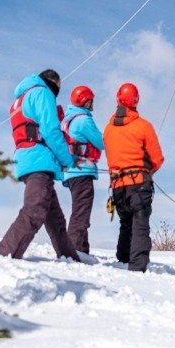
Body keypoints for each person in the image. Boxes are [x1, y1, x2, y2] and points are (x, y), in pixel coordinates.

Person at [0, 69, 81, 262]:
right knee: (35, 209)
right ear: (54, 83)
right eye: (59, 87)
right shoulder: (42, 92)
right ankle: (3, 255)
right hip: (38, 159)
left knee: (55, 218)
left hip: (26, 158)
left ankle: (70, 257)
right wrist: (67, 160)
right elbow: (50, 130)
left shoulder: (21, 98)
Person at [103, 82, 165, 272]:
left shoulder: (108, 129)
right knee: (140, 222)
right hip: (139, 183)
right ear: (136, 100)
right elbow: (157, 158)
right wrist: (148, 171)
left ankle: (123, 259)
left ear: (117, 99)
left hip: (117, 185)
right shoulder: (143, 126)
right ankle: (137, 266)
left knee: (126, 223)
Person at [60, 85, 105, 255]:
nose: (93, 103)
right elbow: (101, 142)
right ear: (85, 101)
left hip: (71, 172)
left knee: (79, 211)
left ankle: (83, 251)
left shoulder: (68, 120)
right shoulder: (84, 120)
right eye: (91, 100)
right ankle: (73, 252)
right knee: (81, 214)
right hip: (82, 170)